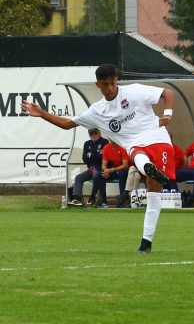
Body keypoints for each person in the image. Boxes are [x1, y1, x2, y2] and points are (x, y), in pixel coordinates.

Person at [21, 64, 174, 254]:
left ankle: (149, 174)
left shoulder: (134, 91)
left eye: (112, 83)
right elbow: (68, 124)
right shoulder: (97, 111)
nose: (110, 88)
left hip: (157, 137)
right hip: (135, 146)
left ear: (116, 81)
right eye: (105, 84)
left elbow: (167, 93)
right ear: (98, 85)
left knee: (153, 186)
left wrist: (167, 114)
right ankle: (146, 243)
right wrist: (42, 113)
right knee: (138, 158)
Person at [67, 128, 108, 206]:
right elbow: (84, 159)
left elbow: (102, 158)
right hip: (91, 168)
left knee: (96, 175)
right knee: (78, 177)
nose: (93, 135)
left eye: (95, 133)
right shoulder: (87, 143)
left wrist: (91, 155)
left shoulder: (104, 142)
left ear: (99, 133)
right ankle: (77, 198)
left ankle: (93, 196)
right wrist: (91, 163)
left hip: (101, 169)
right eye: (91, 133)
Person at [97, 139, 129, 207]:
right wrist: (106, 170)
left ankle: (122, 201)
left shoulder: (123, 147)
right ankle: (103, 201)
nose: (113, 141)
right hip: (112, 171)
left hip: (122, 170)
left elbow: (125, 165)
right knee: (100, 175)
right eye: (111, 139)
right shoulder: (106, 147)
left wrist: (112, 169)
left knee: (122, 173)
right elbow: (103, 164)